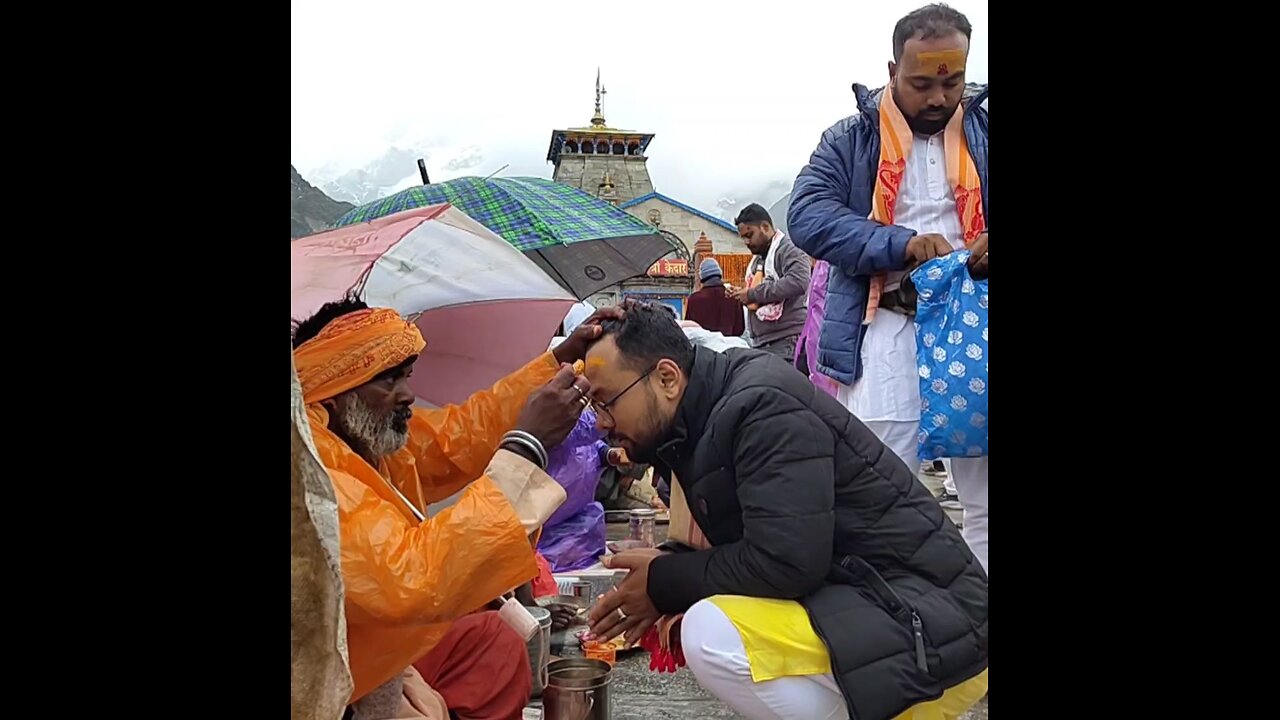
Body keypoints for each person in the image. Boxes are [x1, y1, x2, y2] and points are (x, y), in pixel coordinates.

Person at [581, 302, 987, 720]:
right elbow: (768, 539)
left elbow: (786, 562)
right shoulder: (701, 417)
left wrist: (663, 582)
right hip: (879, 601)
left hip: (935, 626)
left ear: (667, 377)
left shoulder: (761, 405)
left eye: (607, 401)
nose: (601, 423)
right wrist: (670, 567)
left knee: (710, 632)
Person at [292, 294, 615, 719]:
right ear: (332, 396)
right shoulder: (312, 474)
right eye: (387, 380)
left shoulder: (371, 439)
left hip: (376, 647)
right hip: (323, 678)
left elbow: (459, 437)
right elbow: (408, 578)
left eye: (406, 375)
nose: (408, 394)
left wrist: (559, 359)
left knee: (492, 644)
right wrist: (526, 444)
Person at [787, 3, 989, 572]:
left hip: (978, 334)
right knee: (877, 492)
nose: (936, 98)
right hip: (888, 330)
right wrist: (899, 243)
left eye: (950, 83)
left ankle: (979, 631)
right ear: (891, 69)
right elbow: (808, 215)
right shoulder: (849, 138)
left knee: (987, 502)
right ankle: (900, 630)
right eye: (920, 82)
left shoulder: (987, 130)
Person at [725, 203, 810, 360]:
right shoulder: (758, 259)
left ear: (765, 226)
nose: (746, 242)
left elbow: (799, 281)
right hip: (764, 342)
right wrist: (742, 293)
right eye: (743, 237)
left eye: (749, 235)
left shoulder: (788, 250)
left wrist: (752, 294)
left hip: (786, 339)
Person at [685, 258, 745, 337]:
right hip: (728, 346)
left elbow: (689, 328)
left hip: (703, 347)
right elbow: (739, 329)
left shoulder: (694, 299)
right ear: (720, 274)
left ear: (702, 277)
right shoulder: (733, 297)